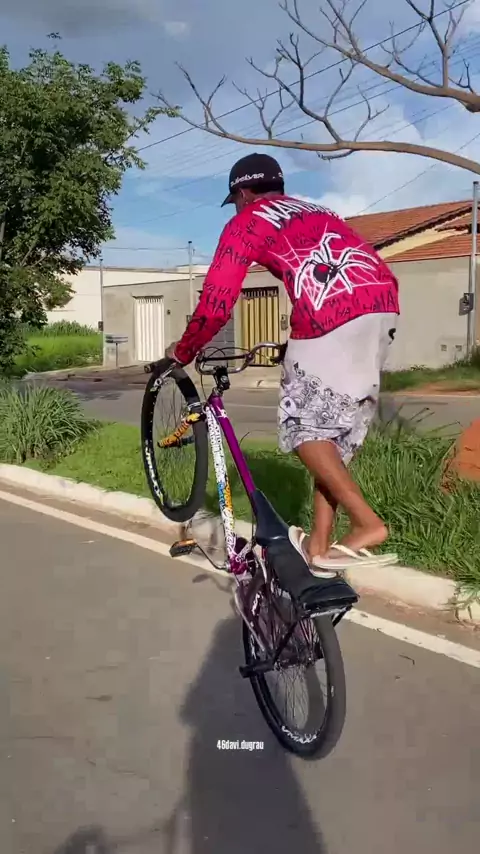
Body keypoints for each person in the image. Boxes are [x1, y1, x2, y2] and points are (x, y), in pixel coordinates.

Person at [166, 152, 400, 576]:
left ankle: (367, 523)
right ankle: (319, 545)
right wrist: (296, 342)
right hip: (383, 303)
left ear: (243, 193)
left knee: (303, 427)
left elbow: (216, 303)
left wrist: (183, 350)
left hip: (330, 312)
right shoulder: (319, 211)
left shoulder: (248, 220)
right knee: (331, 438)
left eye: (235, 200)